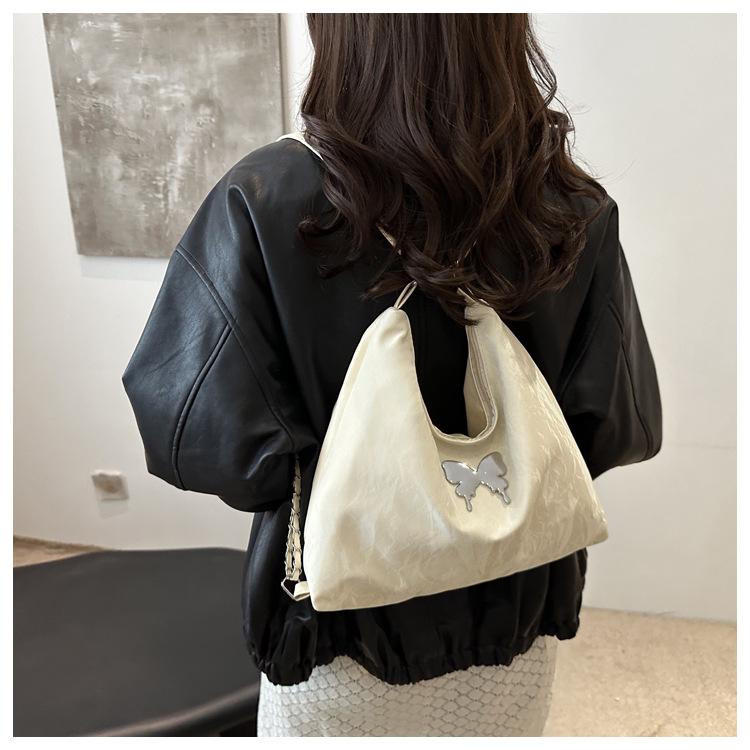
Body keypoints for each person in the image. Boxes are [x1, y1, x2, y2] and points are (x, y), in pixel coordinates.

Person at [122, 13, 662, 737]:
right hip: (513, 608)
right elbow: (616, 425)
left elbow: (197, 435)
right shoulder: (571, 206)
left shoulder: (265, 199)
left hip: (339, 623)